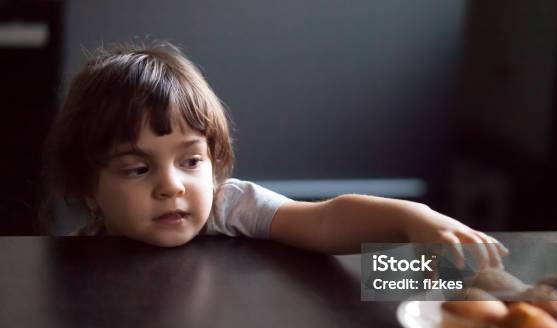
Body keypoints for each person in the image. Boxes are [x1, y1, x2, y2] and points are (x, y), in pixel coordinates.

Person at [42, 41, 507, 268]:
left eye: (190, 161)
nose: (172, 186)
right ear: (88, 187)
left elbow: (322, 220)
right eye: (139, 169)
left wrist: (411, 217)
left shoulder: (228, 206)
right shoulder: (75, 260)